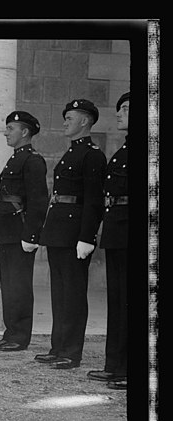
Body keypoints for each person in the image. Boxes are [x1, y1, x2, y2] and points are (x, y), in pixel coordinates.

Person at [35, 99, 106, 370]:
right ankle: (58, 346)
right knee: (60, 292)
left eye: (70, 117)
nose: (65, 121)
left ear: (85, 121)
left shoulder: (92, 155)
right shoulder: (71, 152)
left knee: (74, 294)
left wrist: (87, 237)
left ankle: (71, 351)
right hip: (59, 231)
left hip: (76, 233)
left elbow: (93, 201)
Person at [0, 111, 48, 352]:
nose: (6, 132)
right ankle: (11, 331)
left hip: (20, 229)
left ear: (25, 132)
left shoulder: (33, 160)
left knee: (20, 285)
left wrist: (31, 235)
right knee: (9, 283)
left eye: (10, 128)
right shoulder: (15, 159)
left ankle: (20, 336)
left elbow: (38, 200)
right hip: (7, 227)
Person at [87, 92, 130, 390]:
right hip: (117, 230)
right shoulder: (123, 150)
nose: (119, 113)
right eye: (120, 108)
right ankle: (115, 365)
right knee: (118, 302)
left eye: (127, 109)